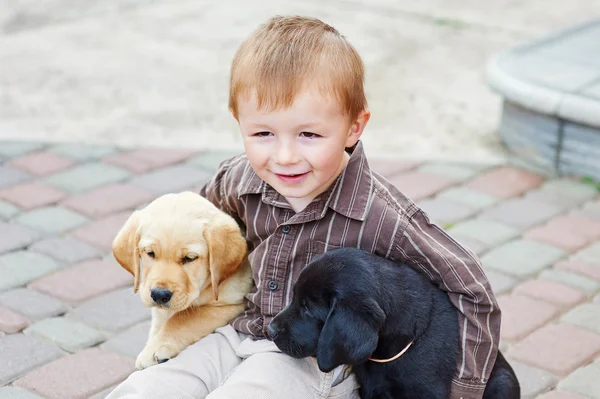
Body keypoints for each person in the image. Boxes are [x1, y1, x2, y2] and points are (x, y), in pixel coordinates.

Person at [107, 15, 499, 399]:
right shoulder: (237, 181)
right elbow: (194, 231)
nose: (285, 156)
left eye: (309, 134)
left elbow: (472, 289)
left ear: (354, 127)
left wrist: (465, 389)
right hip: (235, 328)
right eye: (263, 133)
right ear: (238, 121)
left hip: (310, 358)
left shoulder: (382, 216)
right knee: (150, 387)